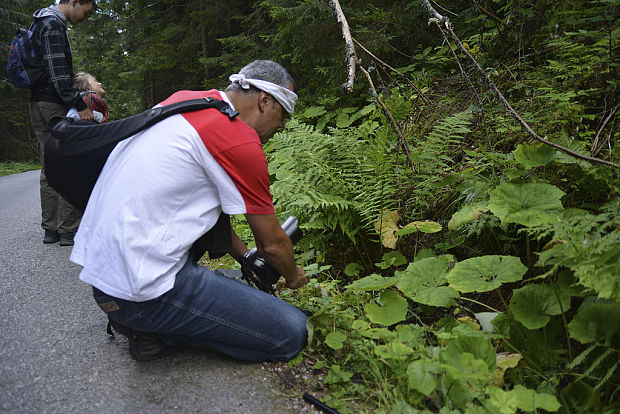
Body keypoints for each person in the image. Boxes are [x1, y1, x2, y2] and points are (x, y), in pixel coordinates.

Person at [70, 60, 310, 362]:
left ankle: (146, 321)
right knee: (293, 331)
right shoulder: (239, 140)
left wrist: (245, 258)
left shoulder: (187, 101)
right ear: (265, 101)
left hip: (104, 278)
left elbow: (208, 216)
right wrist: (292, 274)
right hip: (141, 292)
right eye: (282, 117)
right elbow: (273, 245)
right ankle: (155, 328)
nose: (281, 128)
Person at [29, 0, 97, 246]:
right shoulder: (53, 25)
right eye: (86, 12)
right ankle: (69, 230)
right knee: (70, 164)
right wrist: (80, 105)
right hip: (54, 105)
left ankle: (51, 229)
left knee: (49, 166)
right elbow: (59, 74)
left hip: (37, 103)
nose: (85, 18)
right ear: (77, 2)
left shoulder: (38, 22)